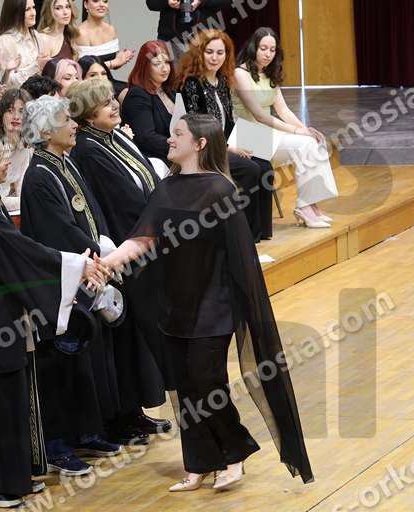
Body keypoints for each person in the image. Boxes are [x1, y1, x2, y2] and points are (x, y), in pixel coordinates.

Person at [101, 112, 314, 491]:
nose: (169, 139)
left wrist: (246, 307)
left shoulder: (220, 190)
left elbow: (241, 255)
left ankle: (235, 451)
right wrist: (106, 263)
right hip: (176, 303)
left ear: (199, 144)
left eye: (178, 134)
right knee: (185, 386)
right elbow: (143, 239)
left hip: (214, 304)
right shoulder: (166, 188)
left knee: (206, 382)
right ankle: (199, 462)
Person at [0, 127, 108, 508]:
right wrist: (74, 265)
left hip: (2, 311)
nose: (7, 162)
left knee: (10, 398)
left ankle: (14, 476)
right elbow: (23, 253)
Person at [20, 95, 123, 476]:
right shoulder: (39, 176)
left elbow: (90, 213)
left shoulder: (64, 162)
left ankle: (85, 431)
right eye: (66, 119)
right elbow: (58, 231)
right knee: (59, 365)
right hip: (60, 282)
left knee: (82, 361)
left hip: (85, 272)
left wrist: (103, 249)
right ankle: (58, 444)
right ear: (46, 131)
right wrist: (96, 257)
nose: (75, 124)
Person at [67, 79, 173, 445]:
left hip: (146, 240)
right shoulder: (87, 148)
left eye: (113, 99)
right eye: (103, 104)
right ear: (86, 115)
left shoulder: (116, 137)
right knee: (127, 338)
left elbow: (148, 178)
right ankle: (123, 417)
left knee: (141, 336)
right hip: (125, 247)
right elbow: (122, 200)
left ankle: (137, 411)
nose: (114, 106)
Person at [233, 27, 338, 228]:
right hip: (245, 135)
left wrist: (305, 129)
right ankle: (305, 206)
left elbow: (283, 110)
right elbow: (259, 115)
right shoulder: (240, 73)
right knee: (304, 145)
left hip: (265, 132)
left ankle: (310, 203)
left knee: (313, 141)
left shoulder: (268, 74)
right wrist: (297, 131)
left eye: (272, 50)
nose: (268, 54)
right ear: (253, 47)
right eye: (263, 48)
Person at [175, 29, 273, 241]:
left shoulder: (222, 80)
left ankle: (262, 231)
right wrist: (231, 148)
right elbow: (198, 127)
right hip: (204, 148)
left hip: (224, 141)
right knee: (250, 169)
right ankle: (245, 235)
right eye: (209, 52)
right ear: (200, 53)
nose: (214, 58)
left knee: (265, 163)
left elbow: (227, 121)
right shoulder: (192, 83)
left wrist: (241, 140)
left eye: (220, 53)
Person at [121, 40, 176, 165]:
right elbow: (146, 137)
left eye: (167, 62)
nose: (165, 68)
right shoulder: (137, 95)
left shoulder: (169, 90)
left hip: (174, 155)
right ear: (145, 66)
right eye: (157, 64)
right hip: (155, 161)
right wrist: (180, 146)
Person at [146, 0, 232, 61]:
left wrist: (201, 1)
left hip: (205, 39)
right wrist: (167, 1)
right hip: (169, 39)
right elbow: (151, 3)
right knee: (168, 79)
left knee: (202, 79)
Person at [0, 0, 50, 87]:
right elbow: (5, 84)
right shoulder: (4, 41)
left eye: (33, 7)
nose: (33, 13)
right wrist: (36, 66)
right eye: (27, 9)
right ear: (15, 13)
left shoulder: (36, 35)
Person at [0, 87, 32, 213]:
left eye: (22, 112)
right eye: (10, 111)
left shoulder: (25, 144)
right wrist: (26, 202)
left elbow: (21, 181)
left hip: (12, 204)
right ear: (2, 114)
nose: (16, 117)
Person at [77, 0, 134, 72]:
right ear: (85, 4)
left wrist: (123, 58)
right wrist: (115, 62)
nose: (102, 5)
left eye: (105, 1)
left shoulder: (111, 29)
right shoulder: (80, 33)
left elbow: (115, 66)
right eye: (96, 1)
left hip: (109, 78)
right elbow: (84, 69)